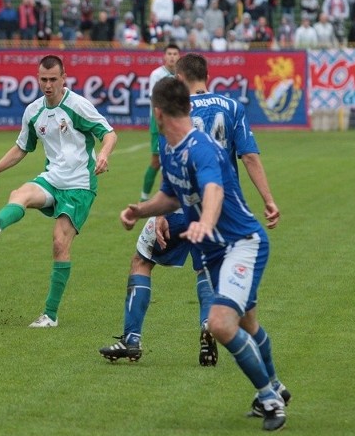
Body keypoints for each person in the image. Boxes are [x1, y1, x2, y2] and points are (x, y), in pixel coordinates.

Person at [114, 74, 288, 432]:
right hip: (214, 252)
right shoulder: (168, 147)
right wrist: (140, 210)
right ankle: (277, 387)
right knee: (248, 324)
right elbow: (171, 196)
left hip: (240, 244)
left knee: (220, 323)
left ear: (158, 112)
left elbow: (214, 190)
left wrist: (206, 222)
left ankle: (269, 398)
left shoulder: (201, 146)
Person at [100, 53, 280, 369]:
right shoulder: (233, 107)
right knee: (206, 269)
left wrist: (154, 214)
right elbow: (249, 157)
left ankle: (132, 339)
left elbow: (168, 163)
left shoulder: (176, 110)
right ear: (206, 76)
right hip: (218, 208)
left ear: (179, 80)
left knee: (142, 260)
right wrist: (268, 199)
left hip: (179, 202)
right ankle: (207, 327)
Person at [0, 55, 117, 328]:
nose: (48, 85)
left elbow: (109, 133)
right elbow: (21, 148)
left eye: (53, 79)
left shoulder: (78, 106)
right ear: (37, 78)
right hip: (52, 178)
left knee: (58, 243)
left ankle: (50, 315)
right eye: (43, 79)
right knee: (20, 193)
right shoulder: (33, 111)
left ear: (64, 78)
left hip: (79, 185)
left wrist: (104, 154)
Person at [140, 43, 181, 202]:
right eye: (169, 53)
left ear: (179, 56)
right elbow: (155, 99)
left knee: (175, 160)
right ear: (164, 56)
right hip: (160, 122)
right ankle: (144, 198)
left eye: (175, 54)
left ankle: (170, 199)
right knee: (156, 161)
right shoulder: (157, 74)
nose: (172, 57)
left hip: (177, 122)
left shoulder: (181, 75)